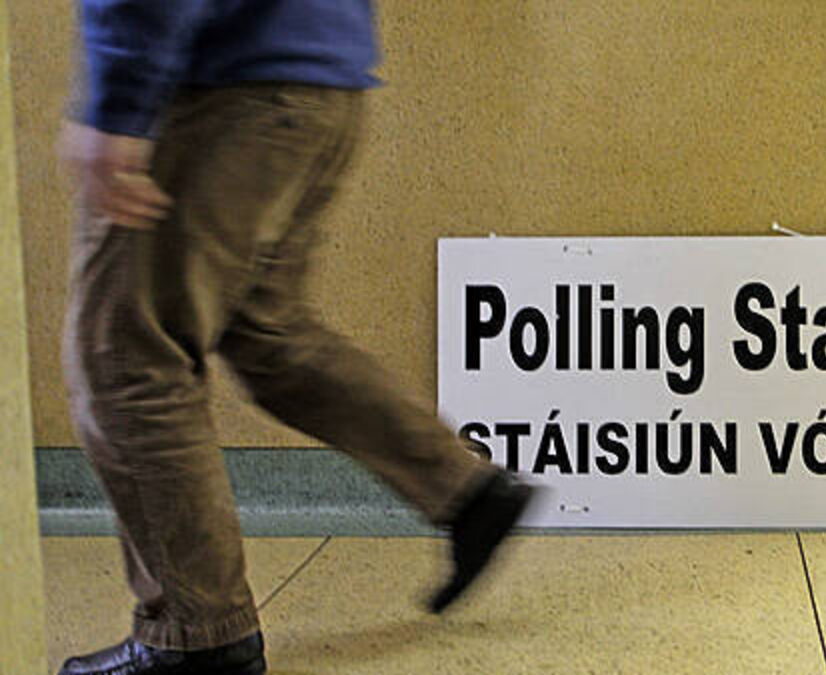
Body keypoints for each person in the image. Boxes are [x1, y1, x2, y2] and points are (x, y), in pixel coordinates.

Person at [55, 2, 536, 674]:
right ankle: (464, 488)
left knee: (129, 358)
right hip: (317, 82)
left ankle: (199, 635)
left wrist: (118, 105)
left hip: (222, 89)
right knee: (267, 333)